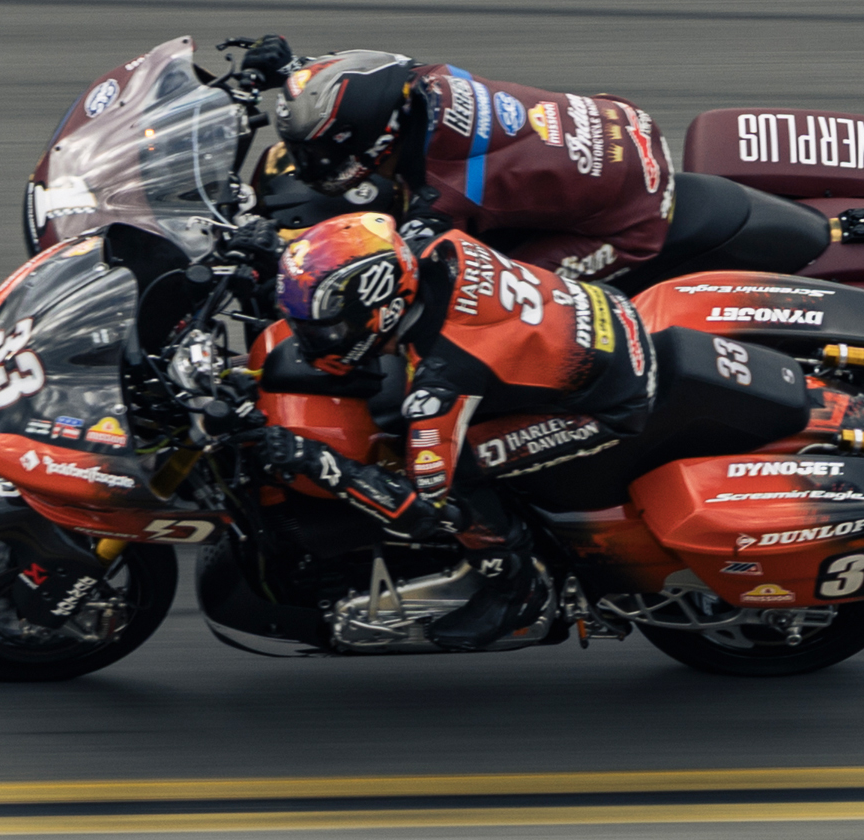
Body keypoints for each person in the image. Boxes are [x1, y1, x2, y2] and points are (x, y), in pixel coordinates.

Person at [253, 212, 657, 650]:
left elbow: (425, 512)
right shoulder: (426, 243)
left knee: (457, 476)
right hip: (606, 310)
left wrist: (318, 461)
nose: (314, 341)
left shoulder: (442, 383)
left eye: (326, 329)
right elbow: (349, 254)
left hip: (609, 402)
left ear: (382, 309)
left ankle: (517, 589)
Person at [235, 35, 675, 284]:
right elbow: (353, 81)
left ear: (368, 142)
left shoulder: (444, 197)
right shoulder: (423, 79)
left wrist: (280, 252)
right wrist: (290, 67)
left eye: (316, 149)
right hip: (622, 120)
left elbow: (392, 271)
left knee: (500, 293)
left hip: (633, 220)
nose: (305, 158)